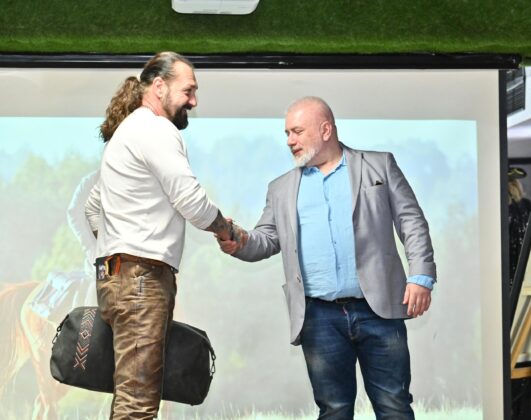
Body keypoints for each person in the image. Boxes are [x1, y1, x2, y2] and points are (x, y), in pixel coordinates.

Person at [218, 96, 436, 419]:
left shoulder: (379, 166)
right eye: (287, 133)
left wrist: (421, 276)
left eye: (297, 131)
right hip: (318, 318)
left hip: (379, 310)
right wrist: (238, 240)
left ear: (325, 130)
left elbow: (411, 221)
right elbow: (266, 239)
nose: (289, 141)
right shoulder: (280, 188)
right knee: (333, 410)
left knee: (394, 406)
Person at [85, 51, 246, 419]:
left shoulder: (126, 132)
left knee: (130, 396)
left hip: (118, 279)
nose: (194, 101)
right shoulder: (156, 130)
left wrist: (117, 248)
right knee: (138, 404)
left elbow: (93, 208)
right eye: (188, 90)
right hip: (141, 281)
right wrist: (227, 230)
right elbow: (191, 201)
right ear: (159, 87)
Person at [506, 166, 531, 420]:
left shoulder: (500, 211)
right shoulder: (525, 207)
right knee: (523, 355)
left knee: (507, 354)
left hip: (504, 292)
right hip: (527, 290)